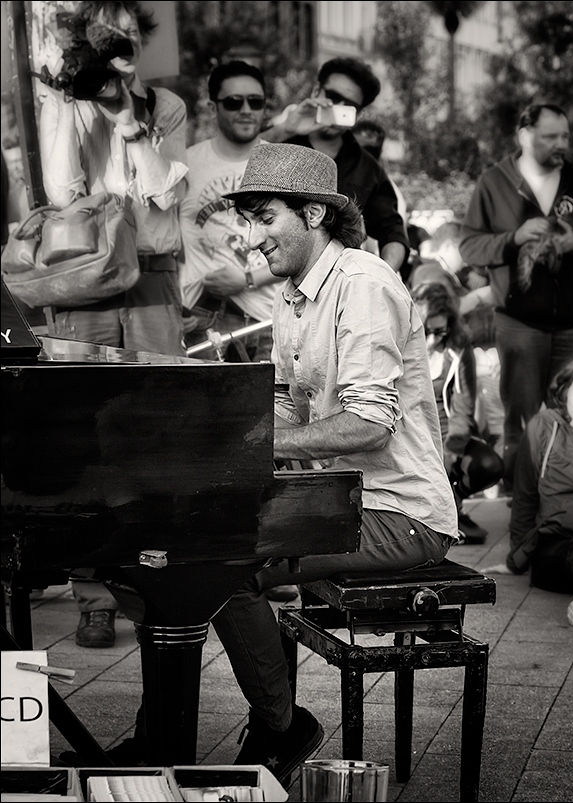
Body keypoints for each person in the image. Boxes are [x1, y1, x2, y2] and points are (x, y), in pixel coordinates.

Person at [73, 142, 459, 775]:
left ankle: (279, 727)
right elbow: (285, 408)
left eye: (265, 217)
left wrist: (248, 446)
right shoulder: (293, 293)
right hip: (337, 498)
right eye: (247, 220)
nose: (251, 239)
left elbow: (368, 425)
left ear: (314, 215)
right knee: (165, 537)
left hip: (400, 512)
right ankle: (169, 737)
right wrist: (203, 429)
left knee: (216, 563)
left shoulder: (363, 283)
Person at [38, 0, 188, 648]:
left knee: (158, 435)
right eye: (101, 36)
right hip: (85, 282)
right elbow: (62, 193)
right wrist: (73, 102)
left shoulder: (164, 107)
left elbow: (165, 195)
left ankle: (153, 578)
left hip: (152, 277)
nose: (113, 49)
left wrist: (128, 122)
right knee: (84, 440)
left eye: (123, 36)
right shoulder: (61, 102)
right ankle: (92, 594)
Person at [460, 103, 573, 492]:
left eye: (565, 136)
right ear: (524, 135)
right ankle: (518, 497)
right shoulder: (494, 181)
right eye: (550, 136)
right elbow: (470, 247)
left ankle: (571, 494)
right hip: (519, 322)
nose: (562, 144)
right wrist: (515, 238)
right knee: (520, 418)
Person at [484, 353, 573, 627]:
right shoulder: (544, 426)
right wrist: (516, 560)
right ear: (565, 390)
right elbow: (524, 495)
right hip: (556, 541)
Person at [262, 57, 409, 274]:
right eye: (332, 97)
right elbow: (235, 162)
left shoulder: (367, 168)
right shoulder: (278, 143)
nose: (337, 108)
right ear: (316, 92)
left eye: (349, 107)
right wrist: (285, 130)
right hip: (269, 286)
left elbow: (393, 232)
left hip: (337, 292)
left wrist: (382, 277)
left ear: (357, 114)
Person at [178, 61, 282, 361]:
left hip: (270, 320)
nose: (246, 110)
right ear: (213, 108)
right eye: (234, 102)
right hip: (205, 318)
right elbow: (169, 244)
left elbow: (302, 243)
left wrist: (249, 279)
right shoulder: (187, 164)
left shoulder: (280, 165)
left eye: (256, 101)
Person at [411, 282, 504, 543]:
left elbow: (464, 404)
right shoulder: (400, 343)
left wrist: (453, 448)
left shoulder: (459, 348)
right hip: (412, 436)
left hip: (448, 433)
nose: (431, 338)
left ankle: (455, 502)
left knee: (490, 465)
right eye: (426, 329)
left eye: (439, 331)